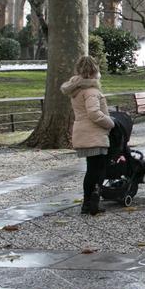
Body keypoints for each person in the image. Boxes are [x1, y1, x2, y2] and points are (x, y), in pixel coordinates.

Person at [63, 55, 115, 216]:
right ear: (95, 71)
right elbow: (94, 114)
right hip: (94, 134)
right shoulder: (91, 91)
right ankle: (93, 202)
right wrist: (110, 122)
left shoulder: (76, 90)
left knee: (91, 170)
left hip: (83, 132)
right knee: (98, 170)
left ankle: (87, 202)